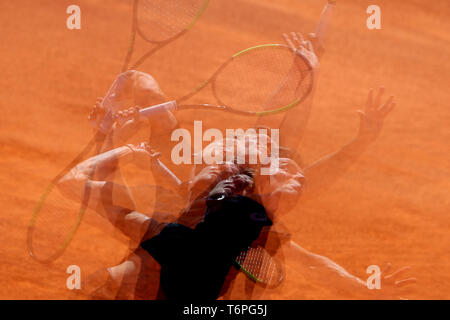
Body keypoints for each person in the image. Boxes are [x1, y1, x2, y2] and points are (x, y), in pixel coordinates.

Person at [59, 32, 415, 300]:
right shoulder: (210, 180)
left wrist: (304, 78)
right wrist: (115, 119)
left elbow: (282, 130)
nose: (293, 170)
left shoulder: (248, 202)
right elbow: (138, 82)